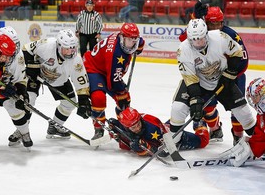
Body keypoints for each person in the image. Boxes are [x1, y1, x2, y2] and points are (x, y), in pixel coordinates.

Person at [166, 18, 256, 150]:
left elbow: (237, 53)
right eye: (194, 40)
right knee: (178, 108)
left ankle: (258, 141)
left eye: (201, 38)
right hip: (198, 82)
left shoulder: (220, 37)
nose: (198, 43)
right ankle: (175, 141)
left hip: (222, 81)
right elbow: (190, 79)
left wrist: (229, 74)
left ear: (206, 34)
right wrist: (196, 99)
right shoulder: (183, 49)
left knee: (244, 113)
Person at [8, 29, 92, 143]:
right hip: (37, 75)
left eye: (73, 48)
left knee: (69, 103)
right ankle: (21, 131)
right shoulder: (46, 45)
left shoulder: (75, 60)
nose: (70, 52)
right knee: (28, 101)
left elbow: (80, 81)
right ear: (58, 45)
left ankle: (55, 127)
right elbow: (26, 49)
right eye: (67, 48)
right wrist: (31, 67)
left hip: (58, 78)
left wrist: (84, 100)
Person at [83, 23, 144, 140]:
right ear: (122, 37)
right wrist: (121, 95)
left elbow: (140, 41)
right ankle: (98, 129)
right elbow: (113, 82)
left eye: (134, 39)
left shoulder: (128, 38)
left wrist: (140, 45)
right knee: (98, 98)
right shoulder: (115, 54)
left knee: (125, 101)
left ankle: (123, 126)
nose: (133, 42)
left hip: (107, 69)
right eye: (130, 40)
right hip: (93, 68)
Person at [108, 107, 209, 156]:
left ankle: (200, 120)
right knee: (174, 121)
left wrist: (145, 149)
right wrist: (115, 131)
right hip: (163, 128)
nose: (137, 128)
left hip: (173, 138)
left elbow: (165, 152)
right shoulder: (129, 121)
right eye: (133, 127)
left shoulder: (152, 129)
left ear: (140, 120)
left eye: (138, 124)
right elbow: (126, 141)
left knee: (203, 141)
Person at [222, 78, 265, 167]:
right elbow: (260, 135)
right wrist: (251, 144)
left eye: (254, 96)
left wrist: (253, 148)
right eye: (251, 97)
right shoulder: (261, 114)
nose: (252, 101)